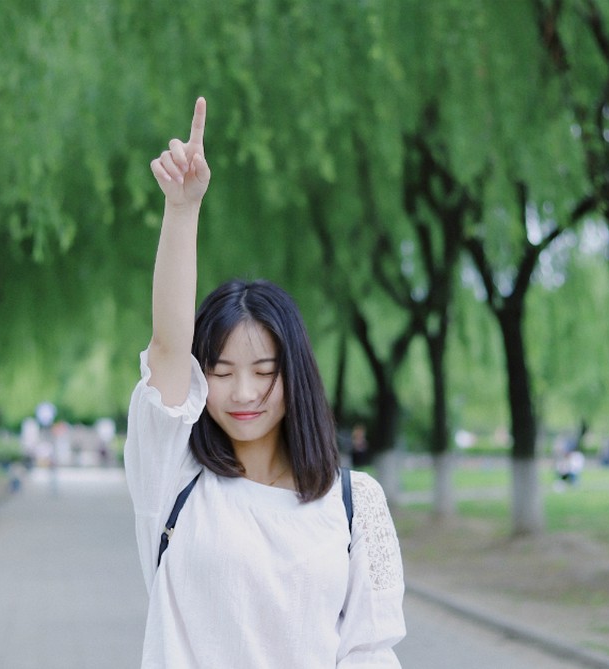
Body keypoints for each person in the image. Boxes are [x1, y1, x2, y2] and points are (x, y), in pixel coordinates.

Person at [124, 97, 405, 668]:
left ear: (294, 375)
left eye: (264, 372)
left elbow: (369, 652)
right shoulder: (174, 477)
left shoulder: (356, 504)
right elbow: (170, 348)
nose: (244, 393)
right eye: (221, 373)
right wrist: (182, 211)